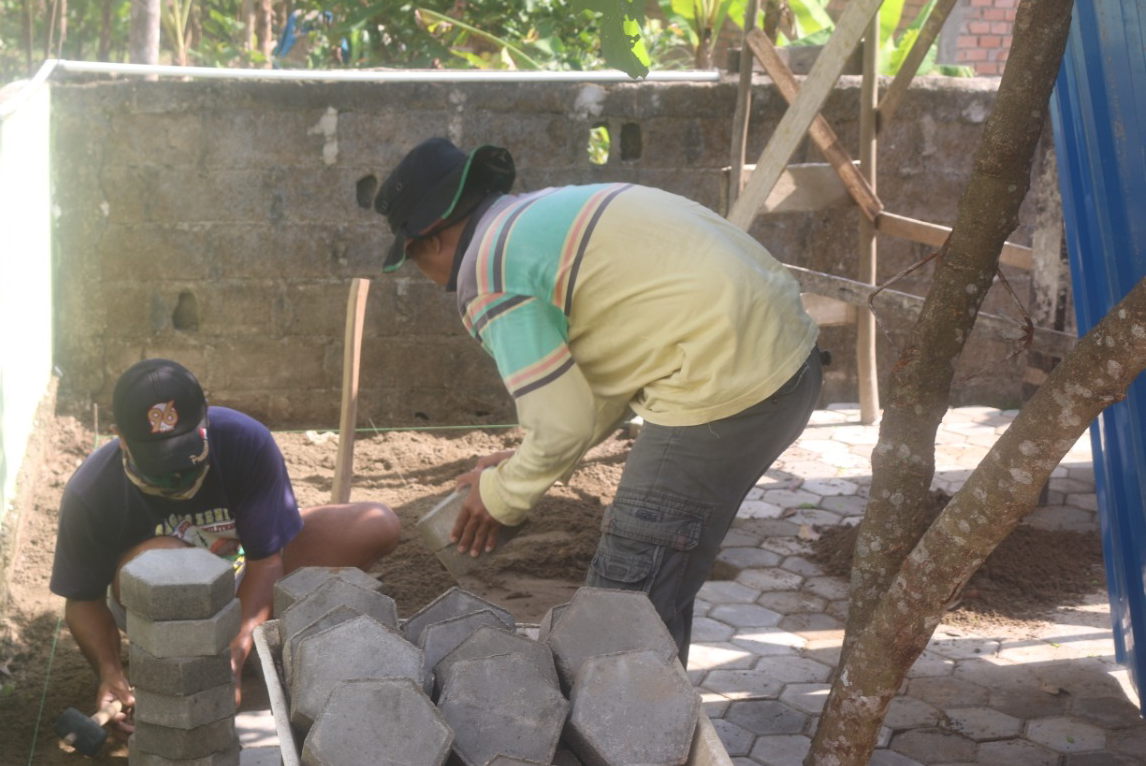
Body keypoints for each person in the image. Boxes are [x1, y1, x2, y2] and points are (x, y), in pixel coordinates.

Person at [372, 137, 823, 662]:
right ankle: (660, 725)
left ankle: (628, 735)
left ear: (428, 240)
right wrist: (523, 465)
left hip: (723, 381)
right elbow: (596, 394)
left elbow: (561, 426)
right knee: (659, 588)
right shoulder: (538, 217)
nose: (429, 282)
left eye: (410, 260)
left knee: (618, 612)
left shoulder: (488, 270)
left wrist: (501, 497)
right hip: (782, 356)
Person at [50, 358, 400, 735]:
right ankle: (188, 648)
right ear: (120, 437)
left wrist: (233, 656)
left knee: (376, 526)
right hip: (156, 603)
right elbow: (82, 601)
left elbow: (267, 561)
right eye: (160, 464)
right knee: (167, 560)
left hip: (241, 574)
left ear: (206, 419)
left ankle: (244, 639)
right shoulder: (92, 490)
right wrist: (110, 672)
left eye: (185, 457)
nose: (176, 475)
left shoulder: (245, 442)